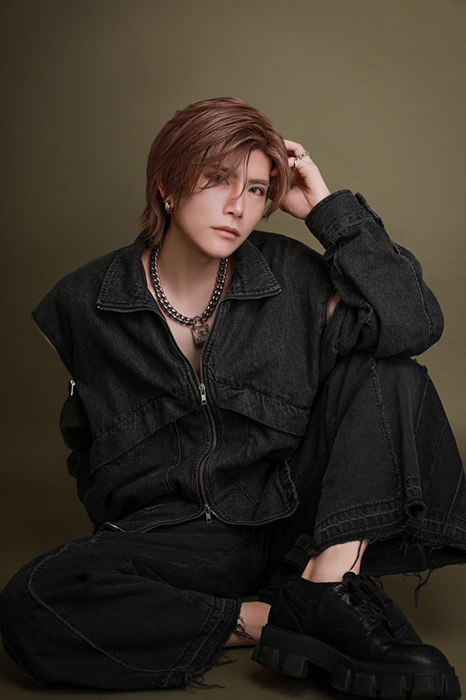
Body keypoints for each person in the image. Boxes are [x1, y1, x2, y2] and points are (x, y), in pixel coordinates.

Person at [0, 97, 465, 699]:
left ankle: (328, 584)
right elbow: (86, 449)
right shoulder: (85, 302)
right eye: (218, 179)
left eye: (257, 189)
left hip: (294, 521)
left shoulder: (291, 274)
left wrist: (327, 211)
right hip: (179, 541)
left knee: (390, 368)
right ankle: (273, 619)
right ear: (168, 185)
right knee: (33, 599)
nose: (237, 207)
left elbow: (413, 323)